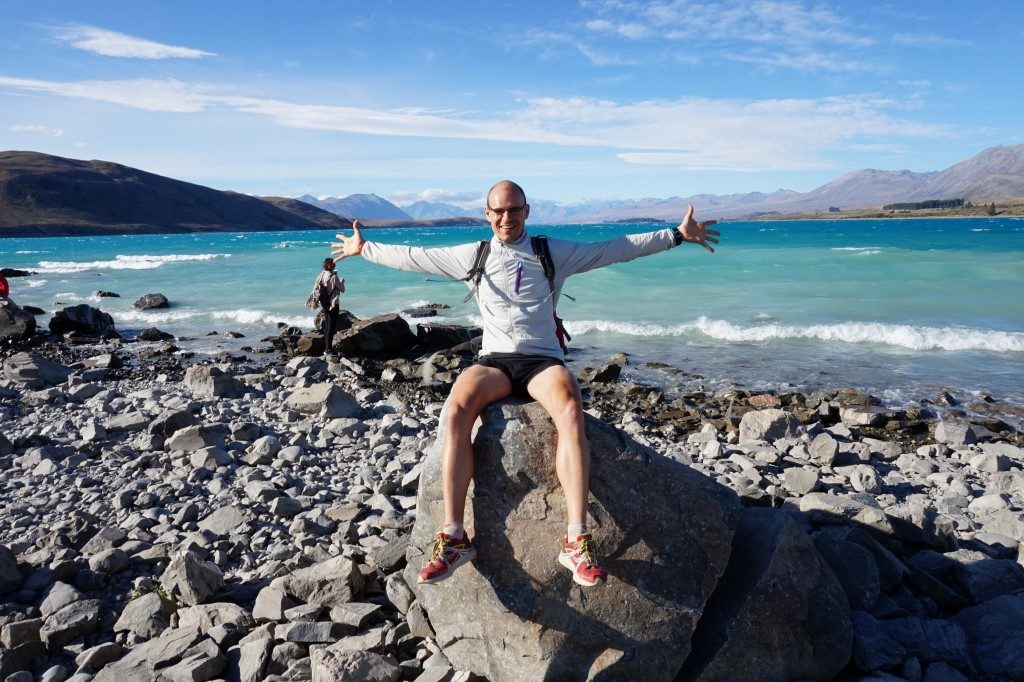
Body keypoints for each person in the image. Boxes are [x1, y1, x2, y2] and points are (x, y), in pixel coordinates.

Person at [332, 180, 718, 587]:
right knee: (458, 407)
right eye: (498, 211)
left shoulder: (552, 252)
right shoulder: (473, 255)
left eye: (514, 210)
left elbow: (615, 248)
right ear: (486, 214)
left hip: (542, 361)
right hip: (495, 361)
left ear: (527, 211)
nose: (506, 218)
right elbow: (416, 257)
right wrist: (365, 248)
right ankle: (454, 537)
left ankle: (575, 539)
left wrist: (675, 235)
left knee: (570, 407)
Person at [306, 257, 345, 355]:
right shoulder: (334, 277)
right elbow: (342, 289)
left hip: (324, 303)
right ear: (333, 266)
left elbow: (316, 288)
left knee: (327, 325)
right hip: (333, 304)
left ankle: (327, 348)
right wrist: (342, 281)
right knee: (331, 327)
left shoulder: (321, 275)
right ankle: (328, 350)